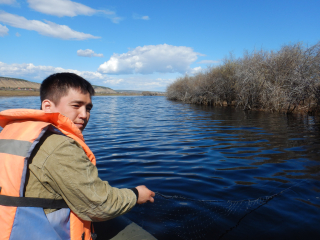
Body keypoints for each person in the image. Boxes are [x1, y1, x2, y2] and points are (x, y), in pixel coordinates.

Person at [0, 72, 155, 240]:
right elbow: (100, 205)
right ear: (47, 107)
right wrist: (136, 194)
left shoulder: (14, 132)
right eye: (76, 105)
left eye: (88, 108)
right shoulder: (58, 145)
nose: (84, 114)